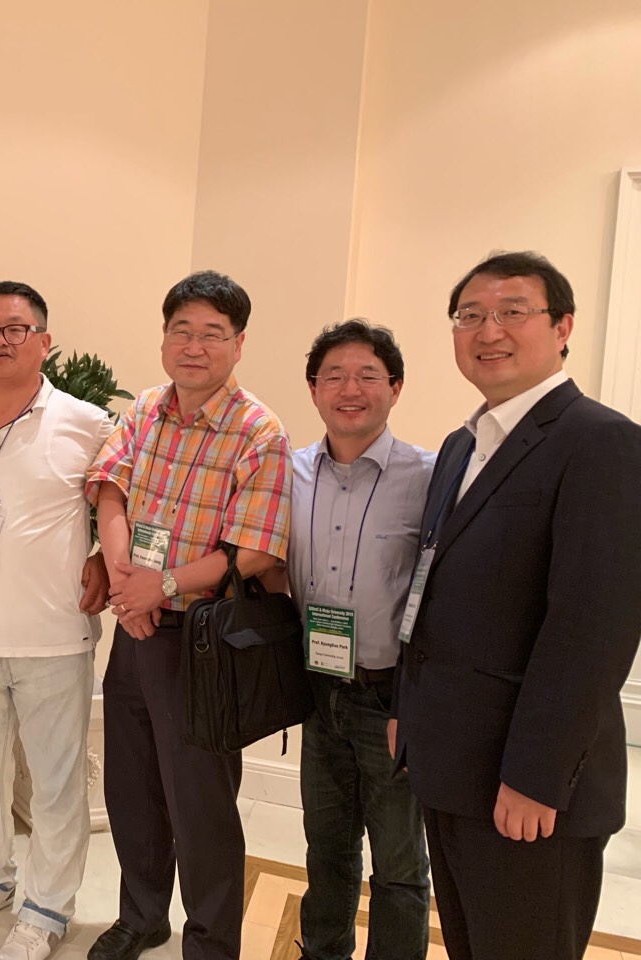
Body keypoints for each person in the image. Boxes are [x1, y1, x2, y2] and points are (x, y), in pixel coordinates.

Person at [391, 251, 641, 960]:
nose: (488, 330)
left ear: (562, 327)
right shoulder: (461, 445)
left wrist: (536, 778)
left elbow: (591, 630)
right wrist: (407, 712)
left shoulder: (602, 442)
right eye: (470, 315)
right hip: (451, 763)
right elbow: (430, 587)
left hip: (528, 786)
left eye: (512, 312)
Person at [86, 269, 291, 960]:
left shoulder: (259, 431)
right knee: (132, 787)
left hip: (204, 639)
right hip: (135, 625)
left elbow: (255, 549)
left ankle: (211, 941)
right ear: (164, 336)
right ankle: (142, 916)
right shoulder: (146, 407)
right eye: (182, 331)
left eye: (211, 334)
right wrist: (127, 583)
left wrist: (163, 584)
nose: (193, 346)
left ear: (238, 343)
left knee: (200, 802)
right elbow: (110, 489)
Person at [0, 281, 112, 960]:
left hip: (54, 636)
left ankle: (46, 909)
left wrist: (104, 556)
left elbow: (131, 498)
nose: (1, 340)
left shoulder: (87, 422)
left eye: (16, 328)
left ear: (44, 341)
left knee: (55, 784)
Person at [286, 320, 433, 960]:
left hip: (390, 697)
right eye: (335, 376)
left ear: (395, 388)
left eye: (368, 375)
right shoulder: (287, 472)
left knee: (399, 864)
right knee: (327, 847)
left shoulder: (429, 476)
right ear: (313, 389)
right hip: (316, 691)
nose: (351, 389)